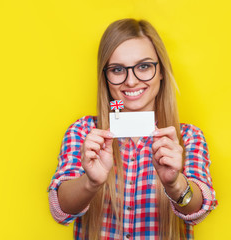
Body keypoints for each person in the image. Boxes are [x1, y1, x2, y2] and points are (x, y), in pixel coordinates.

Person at [48, 18, 218, 239]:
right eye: (118, 70)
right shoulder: (84, 132)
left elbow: (199, 209)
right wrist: (90, 183)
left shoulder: (187, 137)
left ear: (161, 71)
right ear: (106, 77)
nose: (130, 81)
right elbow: (59, 209)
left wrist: (175, 184)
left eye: (144, 66)